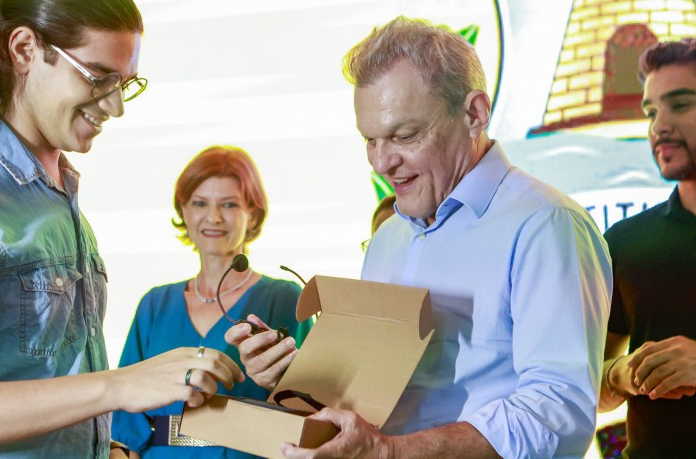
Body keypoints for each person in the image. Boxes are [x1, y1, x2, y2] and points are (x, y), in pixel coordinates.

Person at [226, 16, 612, 458]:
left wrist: (390, 452)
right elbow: (373, 400)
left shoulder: (547, 226)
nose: (381, 162)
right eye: (369, 140)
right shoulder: (389, 238)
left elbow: (556, 415)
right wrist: (294, 378)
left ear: (474, 113)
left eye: (404, 135)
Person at [0, 1, 243, 457]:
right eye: (97, 77)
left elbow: (34, 384)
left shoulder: (57, 198)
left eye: (125, 85)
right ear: (25, 49)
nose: (115, 106)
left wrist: (100, 446)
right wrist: (117, 387)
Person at [111, 146, 312, 458]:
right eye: (200, 203)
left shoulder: (284, 297)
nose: (213, 217)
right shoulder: (154, 305)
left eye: (229, 204)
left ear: (252, 214)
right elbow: (125, 418)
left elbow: (308, 405)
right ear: (184, 211)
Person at [598, 38, 696, 457]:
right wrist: (621, 374)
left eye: (681, 104)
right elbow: (579, 383)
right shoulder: (625, 242)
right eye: (651, 112)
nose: (659, 125)